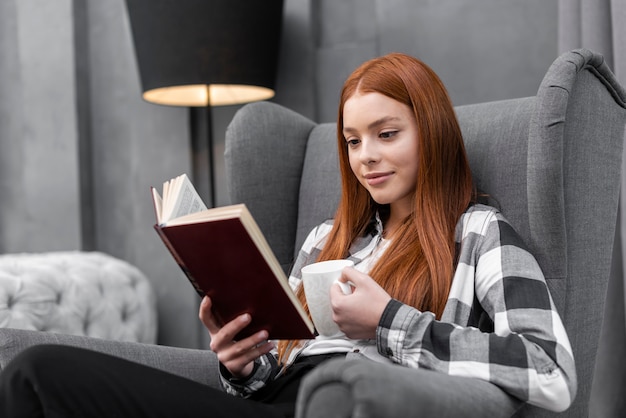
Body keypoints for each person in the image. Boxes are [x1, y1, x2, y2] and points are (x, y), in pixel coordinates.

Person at [0, 53, 576, 417]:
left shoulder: (479, 233)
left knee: (41, 375)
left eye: (387, 133)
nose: (366, 157)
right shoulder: (330, 236)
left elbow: (551, 371)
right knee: (37, 368)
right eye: (352, 141)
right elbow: (276, 365)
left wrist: (390, 320)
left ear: (432, 136)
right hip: (280, 396)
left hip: (347, 399)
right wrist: (242, 362)